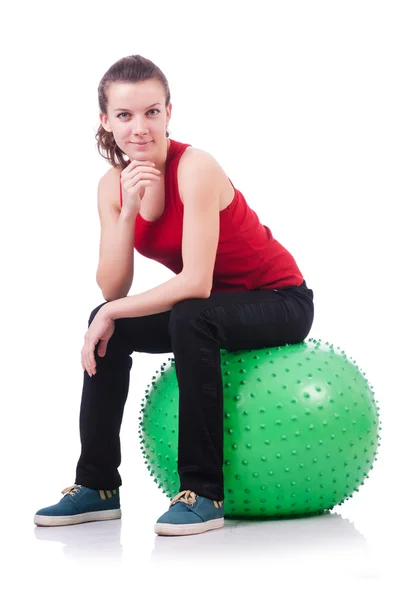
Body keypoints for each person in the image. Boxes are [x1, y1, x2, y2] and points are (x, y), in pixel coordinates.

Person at [34, 54, 314, 536]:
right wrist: (127, 214)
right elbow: (113, 287)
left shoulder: (195, 167)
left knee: (185, 315)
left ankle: (203, 494)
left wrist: (110, 310)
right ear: (105, 120)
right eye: (124, 115)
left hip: (280, 300)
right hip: (211, 308)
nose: (139, 127)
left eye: (151, 112)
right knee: (111, 323)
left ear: (169, 112)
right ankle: (97, 486)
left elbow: (196, 284)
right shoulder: (111, 186)